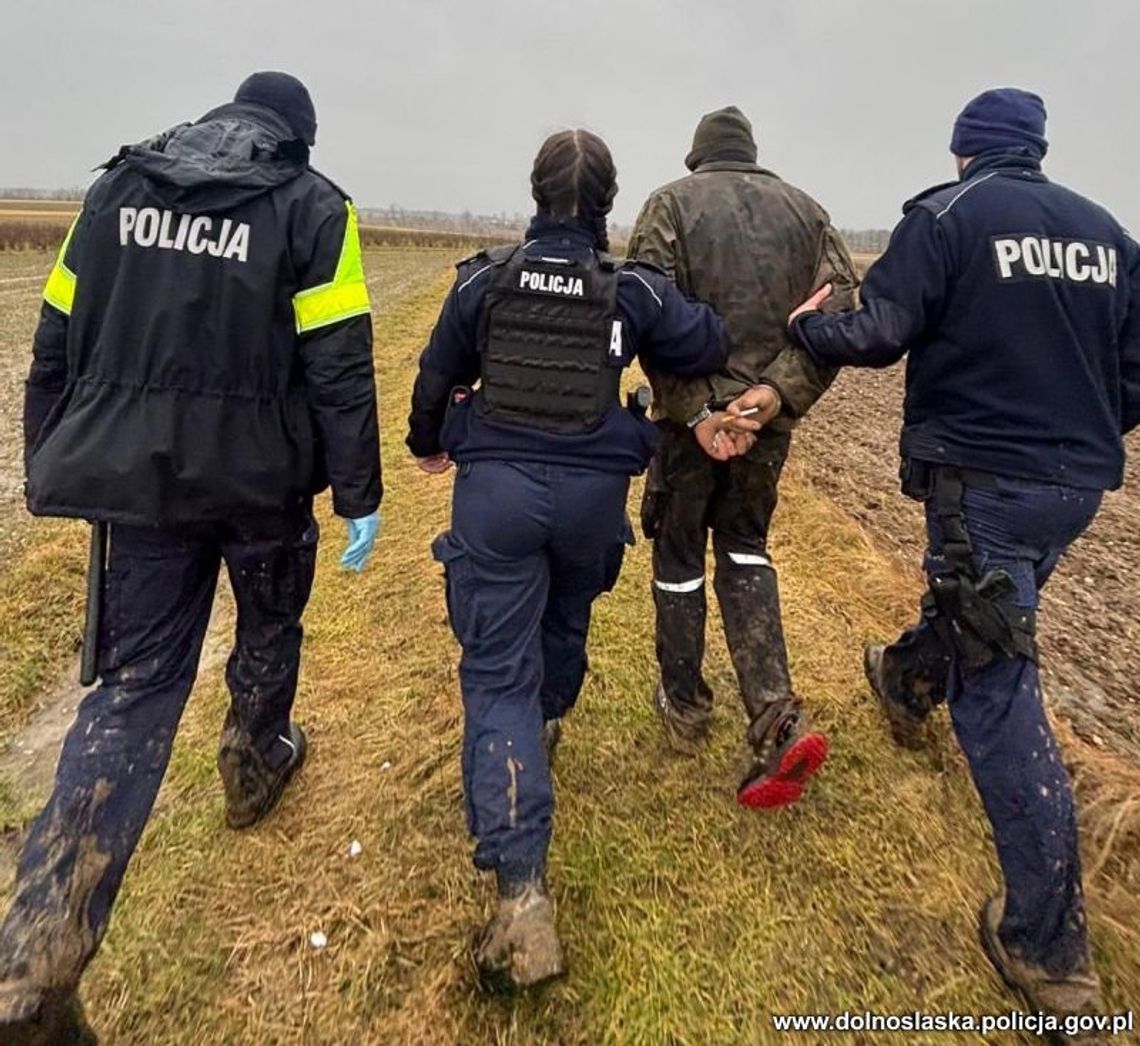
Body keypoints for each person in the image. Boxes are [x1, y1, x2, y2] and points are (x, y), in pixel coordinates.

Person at [4, 72, 382, 1041]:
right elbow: (338, 364)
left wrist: (50, 451)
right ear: (297, 133)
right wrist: (360, 494)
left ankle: (33, 960)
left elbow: (55, 339)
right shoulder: (311, 207)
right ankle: (256, 761)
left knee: (131, 690)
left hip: (136, 485)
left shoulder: (118, 191)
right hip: (261, 484)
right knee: (268, 622)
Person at [782, 88, 1139, 1028]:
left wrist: (807, 325)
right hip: (1071, 491)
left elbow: (879, 330)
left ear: (963, 152)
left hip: (983, 480)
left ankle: (1047, 943)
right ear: (1037, 149)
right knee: (987, 615)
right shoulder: (1108, 235)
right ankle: (903, 680)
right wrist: (1087, 430)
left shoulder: (947, 216)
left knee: (997, 681)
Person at [407, 129, 728, 992]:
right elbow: (704, 341)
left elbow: (434, 379)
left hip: (498, 496)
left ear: (537, 194)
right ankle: (542, 725)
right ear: (608, 203)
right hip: (592, 502)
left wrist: (429, 445)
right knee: (566, 619)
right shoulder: (633, 292)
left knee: (495, 677)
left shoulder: (484, 277)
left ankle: (521, 900)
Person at [625, 106, 859, 809]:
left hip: (686, 430)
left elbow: (643, 307)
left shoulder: (669, 205)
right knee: (746, 549)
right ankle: (775, 714)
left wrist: (697, 410)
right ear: (753, 155)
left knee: (676, 556)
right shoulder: (809, 214)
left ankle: (686, 703)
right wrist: (774, 396)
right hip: (765, 429)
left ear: (697, 157)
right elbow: (843, 314)